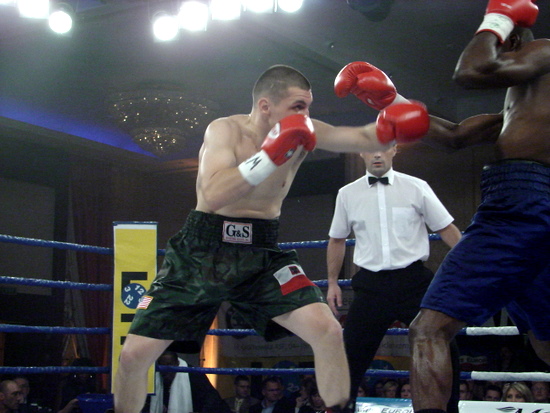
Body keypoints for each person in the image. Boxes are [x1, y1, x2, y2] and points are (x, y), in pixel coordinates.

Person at [114, 64, 432, 413]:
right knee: (133, 356)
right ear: (266, 106)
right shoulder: (225, 130)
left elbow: (368, 138)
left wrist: (395, 102)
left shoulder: (305, 130)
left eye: (307, 106)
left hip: (261, 252)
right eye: (298, 106)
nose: (305, 116)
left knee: (327, 331)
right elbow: (213, 194)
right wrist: (267, 157)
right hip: (202, 251)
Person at [402, 0, 550, 411]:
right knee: (546, 345)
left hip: (518, 205)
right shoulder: (521, 108)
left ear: (512, 42)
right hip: (535, 209)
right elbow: (454, 136)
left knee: (428, 330)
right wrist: (388, 101)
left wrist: (497, 19)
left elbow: (471, 70)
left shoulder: (544, 51)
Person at [325, 98, 461, 407]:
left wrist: (473, 265)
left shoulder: (417, 187)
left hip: (415, 283)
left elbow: (447, 229)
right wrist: (332, 282)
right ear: (361, 151)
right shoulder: (347, 194)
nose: (376, 153)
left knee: (444, 347)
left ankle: (449, 409)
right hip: (371, 286)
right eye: (370, 147)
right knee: (347, 358)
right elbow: (336, 239)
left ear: (394, 149)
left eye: (383, 147)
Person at [141, 350, 230, 413]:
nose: (166, 370)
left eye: (169, 365)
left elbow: (212, 400)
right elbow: (146, 403)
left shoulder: (194, 375)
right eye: (162, 366)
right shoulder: (155, 376)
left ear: (177, 364)